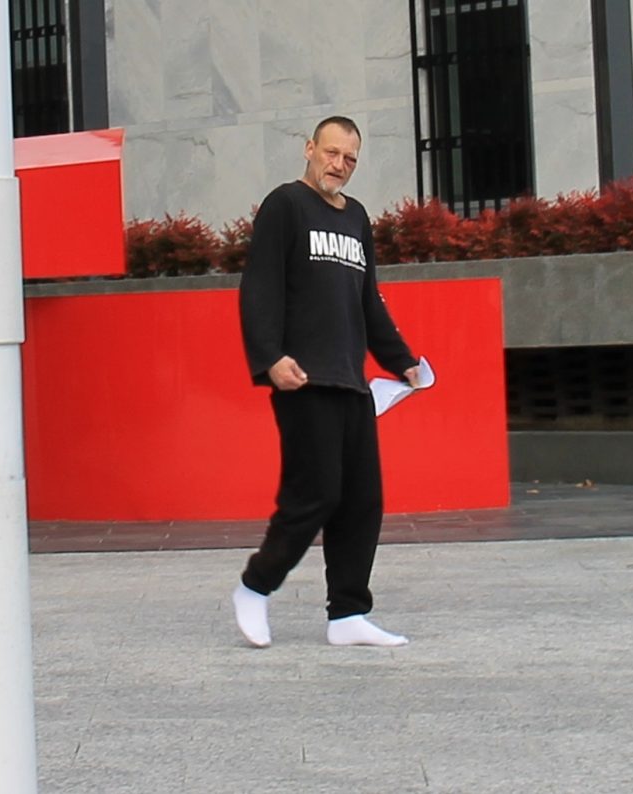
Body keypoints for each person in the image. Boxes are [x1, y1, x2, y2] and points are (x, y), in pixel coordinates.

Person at [232, 116, 422, 648]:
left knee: (363, 499)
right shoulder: (285, 205)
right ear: (310, 148)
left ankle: (348, 615)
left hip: (351, 382)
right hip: (302, 379)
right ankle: (255, 586)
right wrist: (270, 358)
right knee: (314, 494)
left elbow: (369, 302)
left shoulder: (357, 217)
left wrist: (402, 361)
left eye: (350, 159)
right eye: (332, 152)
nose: (339, 165)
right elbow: (259, 286)